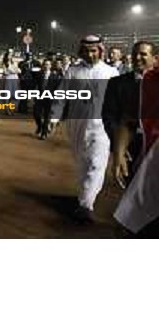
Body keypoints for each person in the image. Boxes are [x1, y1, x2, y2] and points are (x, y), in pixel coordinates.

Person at [49, 35, 118, 223]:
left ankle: (86, 204)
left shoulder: (111, 73)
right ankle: (84, 196)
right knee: (81, 163)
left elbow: (118, 103)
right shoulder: (73, 71)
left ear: (100, 51)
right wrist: (54, 118)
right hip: (77, 124)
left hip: (102, 126)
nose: (90, 54)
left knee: (97, 163)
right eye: (87, 50)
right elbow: (61, 96)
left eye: (94, 50)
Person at [102, 41, 158, 188]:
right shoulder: (116, 83)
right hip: (129, 146)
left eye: (143, 54)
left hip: (155, 146)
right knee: (132, 190)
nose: (137, 57)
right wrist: (118, 148)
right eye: (134, 54)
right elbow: (110, 116)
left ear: (155, 58)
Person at [33, 58, 62, 139]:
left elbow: (57, 88)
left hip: (49, 98)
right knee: (36, 114)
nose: (46, 66)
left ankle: (44, 133)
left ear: (50, 66)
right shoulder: (39, 75)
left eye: (48, 64)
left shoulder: (55, 76)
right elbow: (35, 85)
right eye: (45, 64)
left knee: (47, 115)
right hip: (39, 97)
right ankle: (40, 126)